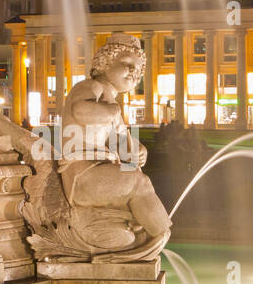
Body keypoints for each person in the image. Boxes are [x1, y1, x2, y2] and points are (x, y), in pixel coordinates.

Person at [58, 34, 170, 243]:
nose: (133, 73)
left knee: (138, 179)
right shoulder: (91, 87)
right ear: (105, 63)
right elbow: (81, 111)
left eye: (137, 70)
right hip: (82, 176)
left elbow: (125, 146)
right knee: (139, 183)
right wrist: (113, 111)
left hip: (100, 171)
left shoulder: (110, 102)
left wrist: (138, 151)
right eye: (127, 64)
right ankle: (161, 234)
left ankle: (152, 234)